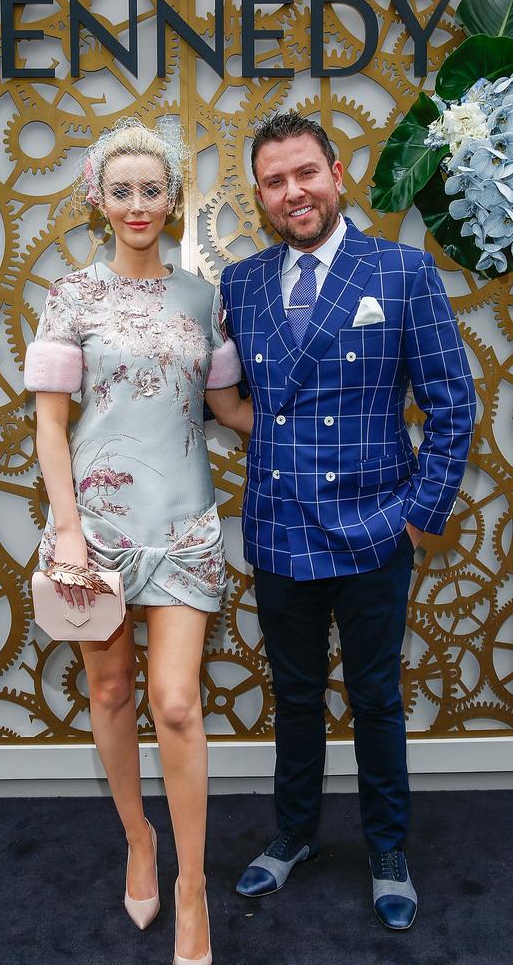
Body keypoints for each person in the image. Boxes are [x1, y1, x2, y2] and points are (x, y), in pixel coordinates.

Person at [220, 111, 476, 929]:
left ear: (336, 173)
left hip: (376, 529)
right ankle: (292, 834)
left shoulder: (402, 272)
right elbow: (244, 402)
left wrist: (416, 517)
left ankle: (388, 846)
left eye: (305, 173)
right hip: (279, 529)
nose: (293, 192)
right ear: (259, 196)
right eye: (274, 181)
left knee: (376, 700)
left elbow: (452, 405)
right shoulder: (243, 282)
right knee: (293, 698)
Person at [24, 118, 251, 965]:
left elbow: (227, 409)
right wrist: (70, 532)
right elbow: (52, 428)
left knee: (178, 704)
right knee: (113, 694)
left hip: (186, 523)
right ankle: (138, 839)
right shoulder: (69, 295)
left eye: (151, 189)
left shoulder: (202, 297)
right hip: (98, 530)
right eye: (120, 190)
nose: (136, 205)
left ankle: (193, 888)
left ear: (173, 198)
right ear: (98, 198)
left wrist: (325, 438)